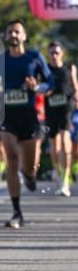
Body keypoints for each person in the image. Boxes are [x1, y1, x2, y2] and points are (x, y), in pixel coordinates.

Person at [0, 19, 53, 229]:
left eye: (17, 32)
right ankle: (17, 212)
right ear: (6, 36)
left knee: (29, 166)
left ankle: (30, 176)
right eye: (10, 32)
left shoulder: (34, 57)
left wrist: (37, 86)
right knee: (12, 160)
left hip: (29, 116)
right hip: (7, 115)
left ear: (24, 36)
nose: (13, 35)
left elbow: (50, 83)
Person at [45, 40, 78, 197]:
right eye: (52, 52)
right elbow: (39, 88)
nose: (54, 55)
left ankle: (65, 181)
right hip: (51, 108)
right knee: (54, 146)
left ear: (62, 54)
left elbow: (75, 86)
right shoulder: (44, 70)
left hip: (66, 107)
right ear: (48, 54)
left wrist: (77, 98)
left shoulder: (69, 67)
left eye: (57, 52)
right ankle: (57, 171)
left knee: (65, 143)